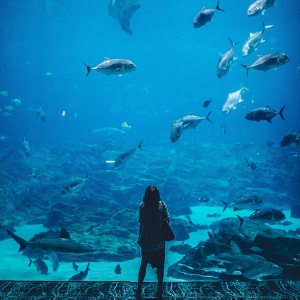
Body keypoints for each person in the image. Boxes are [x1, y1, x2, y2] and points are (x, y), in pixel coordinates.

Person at [135, 185, 170, 300]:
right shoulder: (162, 205)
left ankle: (139, 289)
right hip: (159, 242)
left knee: (143, 265)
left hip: (145, 241)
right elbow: (167, 221)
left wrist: (140, 239)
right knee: (160, 267)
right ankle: (159, 289)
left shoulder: (142, 206)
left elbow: (141, 224)